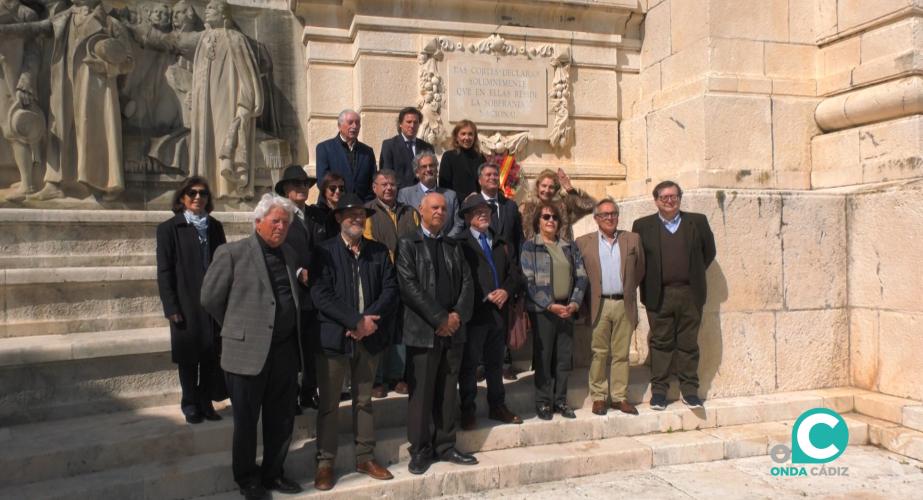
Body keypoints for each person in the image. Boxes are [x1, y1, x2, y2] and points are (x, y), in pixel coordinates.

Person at [200, 194, 307, 500]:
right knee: (246, 421)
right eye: (276, 222)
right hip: (247, 352)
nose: (281, 228)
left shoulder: (289, 253)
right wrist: (236, 328)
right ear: (258, 222)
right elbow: (209, 298)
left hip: (285, 351)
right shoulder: (232, 253)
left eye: (285, 223)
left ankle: (274, 472)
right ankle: (247, 478)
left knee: (281, 418)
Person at [309, 193, 399, 490]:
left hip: (369, 337)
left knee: (364, 400)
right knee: (330, 404)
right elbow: (321, 294)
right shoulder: (323, 251)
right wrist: (353, 320)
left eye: (361, 214)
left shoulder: (377, 251)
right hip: (335, 338)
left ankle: (365, 456)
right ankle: (325, 462)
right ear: (338, 218)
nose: (357, 219)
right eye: (351, 215)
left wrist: (367, 321)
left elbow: (390, 289)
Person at [396, 192, 475, 475]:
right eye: (435, 207)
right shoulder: (408, 243)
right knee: (422, 394)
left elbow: (467, 283)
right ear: (421, 210)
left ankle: (445, 445)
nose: (440, 212)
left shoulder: (453, 246)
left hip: (452, 332)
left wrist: (456, 317)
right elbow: (409, 286)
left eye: (444, 208)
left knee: (446, 392)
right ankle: (420, 450)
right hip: (423, 332)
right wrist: (440, 318)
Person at [631, 181, 716, 411]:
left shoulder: (697, 222)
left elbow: (709, 253)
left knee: (688, 344)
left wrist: (692, 274)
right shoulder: (642, 225)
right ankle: (659, 392)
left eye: (674, 196)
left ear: (680, 198)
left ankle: (690, 391)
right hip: (659, 294)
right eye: (665, 197)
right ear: (656, 200)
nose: (670, 201)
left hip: (690, 293)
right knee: (660, 344)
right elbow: (638, 259)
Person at [156, 176, 227, 424]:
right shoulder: (169, 229)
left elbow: (224, 264)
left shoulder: (215, 226)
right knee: (188, 357)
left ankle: (206, 401)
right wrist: (171, 307)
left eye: (203, 194)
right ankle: (190, 403)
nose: (198, 198)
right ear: (182, 198)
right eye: (192, 193)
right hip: (186, 301)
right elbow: (164, 271)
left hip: (211, 301)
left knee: (210, 355)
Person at [456, 194, 524, 430]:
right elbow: (462, 278)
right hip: (475, 313)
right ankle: (467, 410)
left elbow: (515, 273)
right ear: (467, 217)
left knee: (495, 363)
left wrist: (505, 290)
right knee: (471, 364)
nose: (483, 214)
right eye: (477, 211)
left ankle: (498, 405)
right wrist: (485, 294)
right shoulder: (460, 244)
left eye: (485, 210)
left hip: (498, 313)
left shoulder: (500, 242)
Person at [575, 198, 645, 416]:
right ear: (596, 219)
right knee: (599, 353)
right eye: (604, 214)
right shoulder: (583, 242)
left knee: (621, 354)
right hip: (599, 303)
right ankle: (598, 396)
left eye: (613, 213)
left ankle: (619, 397)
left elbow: (640, 269)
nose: (609, 218)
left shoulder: (632, 239)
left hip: (624, 303)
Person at [521, 202, 588, 421]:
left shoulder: (569, 246)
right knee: (544, 357)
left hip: (567, 309)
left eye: (554, 218)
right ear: (538, 221)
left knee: (563, 358)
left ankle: (560, 400)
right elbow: (528, 281)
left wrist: (575, 303)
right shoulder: (531, 247)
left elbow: (582, 276)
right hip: (543, 311)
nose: (551, 221)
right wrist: (549, 305)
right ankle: (543, 402)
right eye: (546, 217)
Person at [363, 170, 419, 398]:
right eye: (383, 184)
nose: (388, 188)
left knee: (400, 330)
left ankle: (397, 377)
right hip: (378, 281)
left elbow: (417, 242)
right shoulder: (367, 212)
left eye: (392, 184)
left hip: (405, 281)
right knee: (377, 329)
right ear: (374, 187)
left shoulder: (410, 212)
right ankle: (376, 379)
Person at [274, 165, 320, 411]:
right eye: (296, 184)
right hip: (292, 291)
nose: (301, 188)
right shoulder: (280, 215)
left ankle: (309, 391)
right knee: (291, 347)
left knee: (312, 345)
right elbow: (275, 251)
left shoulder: (314, 215)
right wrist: (298, 272)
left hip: (315, 292)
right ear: (286, 190)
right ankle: (289, 395)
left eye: (304, 184)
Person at [477, 160, 523, 381]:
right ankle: (480, 363)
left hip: (507, 269)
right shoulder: (472, 205)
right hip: (483, 270)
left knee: (505, 321)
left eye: (496, 175)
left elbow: (518, 239)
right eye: (488, 175)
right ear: (480, 180)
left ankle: (504, 360)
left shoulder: (510, 206)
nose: (493, 178)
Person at [397, 151, 463, 237]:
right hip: (418, 246)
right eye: (424, 167)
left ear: (436, 170)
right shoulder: (405, 194)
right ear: (417, 172)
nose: (428, 169)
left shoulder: (451, 195)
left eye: (431, 165)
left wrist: (445, 241)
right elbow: (403, 224)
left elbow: (458, 223)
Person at [316, 109, 377, 201]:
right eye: (350, 122)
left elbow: (373, 181)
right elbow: (322, 181)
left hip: (360, 207)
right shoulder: (325, 148)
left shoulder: (367, 151)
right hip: (333, 207)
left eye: (357, 123)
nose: (354, 126)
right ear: (339, 126)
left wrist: (367, 203)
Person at [520, 168, 596, 241]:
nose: (547, 190)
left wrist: (569, 188)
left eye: (551, 187)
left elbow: (589, 206)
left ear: (556, 189)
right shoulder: (527, 207)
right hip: (535, 252)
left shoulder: (563, 205)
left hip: (561, 251)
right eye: (544, 186)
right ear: (538, 186)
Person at [379, 106, 433, 189]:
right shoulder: (389, 146)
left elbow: (432, 175)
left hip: (423, 197)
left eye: (416, 122)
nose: (412, 125)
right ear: (400, 124)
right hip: (399, 196)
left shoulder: (427, 147)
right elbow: (387, 175)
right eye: (409, 122)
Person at [438, 119, 485, 202]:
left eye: (470, 134)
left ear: (475, 137)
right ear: (456, 136)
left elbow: (484, 183)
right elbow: (444, 186)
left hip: (477, 205)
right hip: (456, 204)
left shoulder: (480, 158)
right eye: (463, 134)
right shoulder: (448, 156)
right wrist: (464, 198)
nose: (467, 138)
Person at [308, 172, 346, 243]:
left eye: (341, 188)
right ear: (324, 190)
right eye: (332, 188)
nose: (337, 191)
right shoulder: (316, 211)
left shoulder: (346, 211)